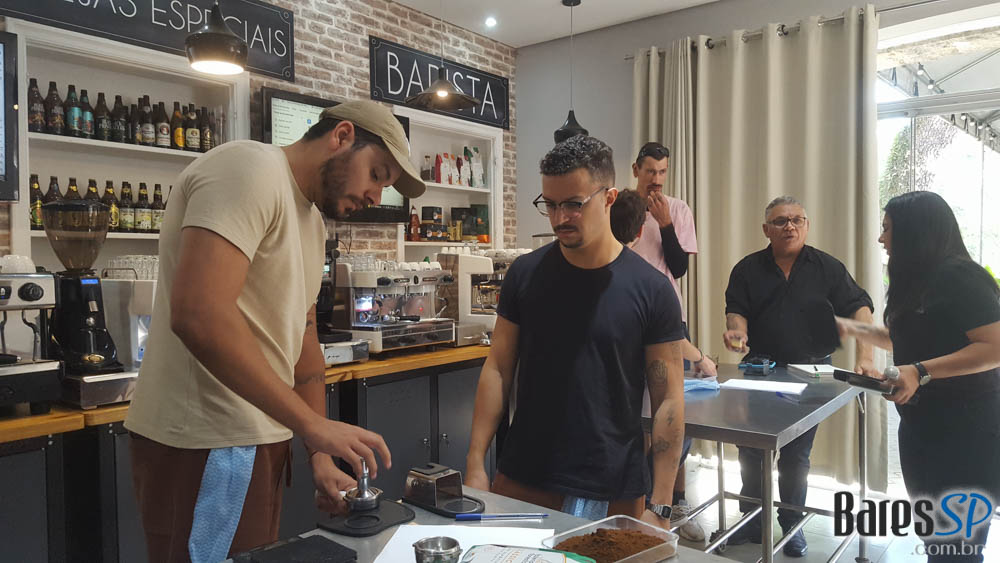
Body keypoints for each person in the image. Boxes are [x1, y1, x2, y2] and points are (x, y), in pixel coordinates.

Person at [124, 101, 424, 561]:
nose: (375, 197)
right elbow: (199, 313)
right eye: (376, 174)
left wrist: (318, 454)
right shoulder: (248, 168)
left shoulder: (311, 221)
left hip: (261, 439)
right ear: (342, 136)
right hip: (206, 440)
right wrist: (312, 425)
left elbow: (302, 339)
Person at [464, 135, 687, 528]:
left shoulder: (652, 290)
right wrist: (475, 462)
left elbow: (667, 397)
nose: (558, 218)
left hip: (614, 485)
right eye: (549, 204)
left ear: (609, 198)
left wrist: (663, 504)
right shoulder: (525, 275)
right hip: (526, 476)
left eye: (573, 204)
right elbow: (498, 368)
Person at [837, 191, 1000, 563]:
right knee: (937, 542)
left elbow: (994, 346)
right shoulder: (917, 280)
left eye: (887, 228)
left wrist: (920, 371)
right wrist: (852, 328)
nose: (881, 238)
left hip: (968, 435)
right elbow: (914, 337)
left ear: (915, 231)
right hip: (921, 429)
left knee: (958, 549)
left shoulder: (960, 276)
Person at [723, 195, 875, 557]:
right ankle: (751, 520)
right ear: (766, 229)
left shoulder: (827, 267)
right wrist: (737, 331)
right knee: (751, 449)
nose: (789, 226)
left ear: (806, 226)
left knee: (795, 455)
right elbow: (736, 310)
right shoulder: (747, 268)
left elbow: (860, 306)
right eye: (780, 221)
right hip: (759, 372)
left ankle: (792, 523)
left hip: (811, 373)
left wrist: (866, 356)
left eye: (796, 220)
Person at [610, 187, 709, 541]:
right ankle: (656, 504)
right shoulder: (649, 284)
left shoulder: (596, 273)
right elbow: (669, 342)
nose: (656, 179)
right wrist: (703, 358)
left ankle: (658, 504)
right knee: (675, 429)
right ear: (640, 231)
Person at [629, 143, 716, 542]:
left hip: (669, 320)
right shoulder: (622, 208)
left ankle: (673, 502)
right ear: (637, 170)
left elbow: (678, 268)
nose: (657, 179)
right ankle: (640, 500)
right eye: (650, 171)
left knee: (676, 413)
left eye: (662, 172)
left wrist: (665, 223)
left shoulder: (677, 209)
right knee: (639, 417)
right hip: (629, 318)